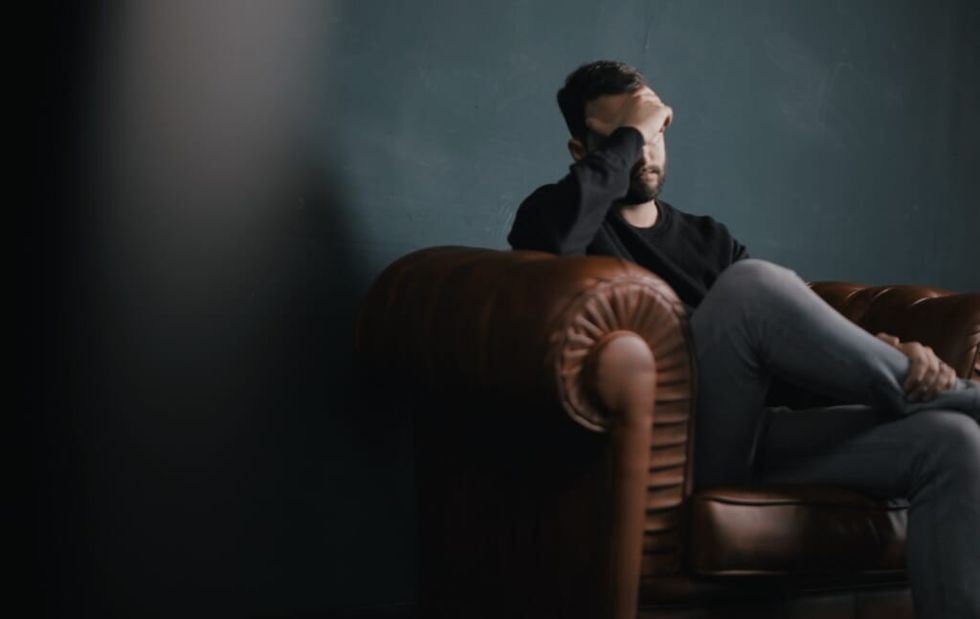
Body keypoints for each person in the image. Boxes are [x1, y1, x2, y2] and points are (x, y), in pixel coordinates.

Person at [508, 60, 980, 619]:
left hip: (753, 437)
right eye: (624, 136)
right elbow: (547, 248)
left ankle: (934, 396)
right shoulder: (556, 216)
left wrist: (883, 350)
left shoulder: (710, 239)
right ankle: (951, 393)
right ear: (582, 151)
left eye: (656, 130)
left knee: (953, 442)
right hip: (674, 452)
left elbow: (783, 358)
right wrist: (635, 131)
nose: (645, 151)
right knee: (752, 287)